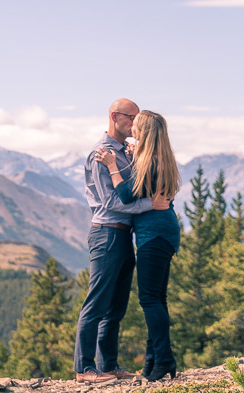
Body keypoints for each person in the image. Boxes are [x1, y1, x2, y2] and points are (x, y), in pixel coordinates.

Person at [73, 99, 170, 384]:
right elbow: (113, 201)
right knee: (97, 302)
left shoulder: (125, 152)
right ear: (115, 117)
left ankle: (108, 365)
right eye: (131, 118)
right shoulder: (100, 154)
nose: (135, 124)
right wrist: (150, 205)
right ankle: (84, 369)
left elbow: (130, 188)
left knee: (116, 306)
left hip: (124, 234)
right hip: (106, 232)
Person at [95, 109, 181, 382]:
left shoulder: (150, 162)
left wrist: (112, 166)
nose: (132, 128)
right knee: (158, 299)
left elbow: (124, 194)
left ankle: (164, 359)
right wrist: (134, 160)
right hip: (164, 232)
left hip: (153, 235)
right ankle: (153, 361)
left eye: (136, 125)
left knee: (149, 300)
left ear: (143, 132)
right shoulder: (158, 159)